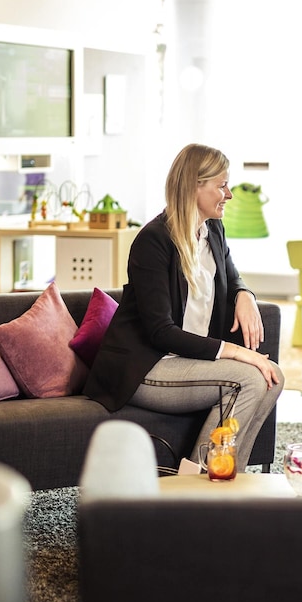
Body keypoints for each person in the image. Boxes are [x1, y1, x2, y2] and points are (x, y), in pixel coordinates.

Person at [84, 143, 283, 471]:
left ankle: (229, 476)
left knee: (273, 376)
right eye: (222, 185)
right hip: (147, 366)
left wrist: (245, 294)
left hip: (188, 361)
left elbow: (232, 274)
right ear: (195, 186)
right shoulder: (153, 241)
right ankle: (196, 481)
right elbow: (160, 332)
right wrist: (237, 352)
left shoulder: (212, 230)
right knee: (247, 377)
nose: (229, 194)